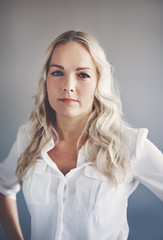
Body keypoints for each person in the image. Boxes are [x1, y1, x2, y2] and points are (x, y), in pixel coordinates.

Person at [0, 30, 162, 240]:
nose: (68, 86)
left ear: (98, 83)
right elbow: (3, 187)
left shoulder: (130, 145)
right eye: (57, 72)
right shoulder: (28, 137)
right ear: (46, 80)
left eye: (83, 74)